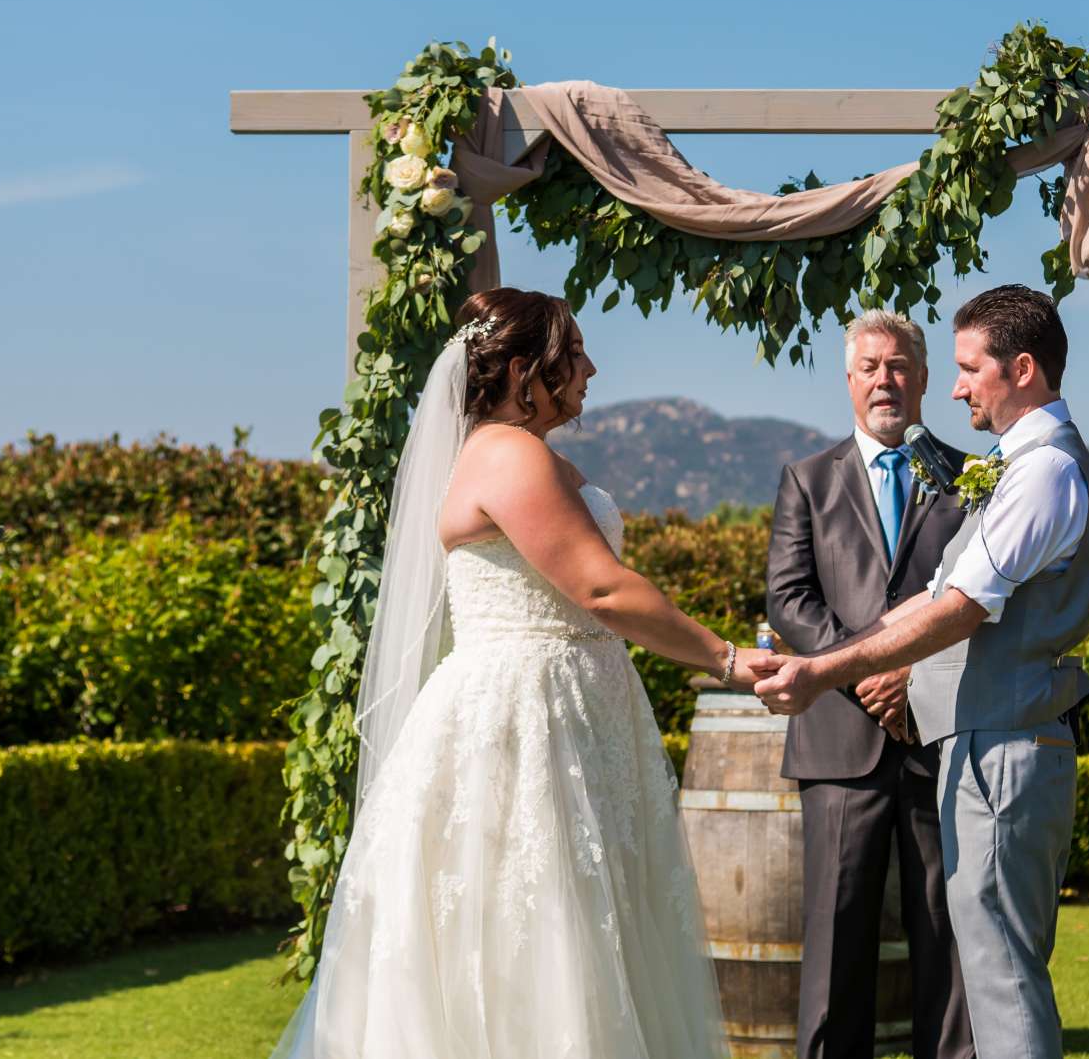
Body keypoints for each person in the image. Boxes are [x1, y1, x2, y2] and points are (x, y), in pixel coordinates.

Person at [275, 287, 779, 1059]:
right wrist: (729, 658)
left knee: (582, 926)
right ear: (522, 372)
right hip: (525, 720)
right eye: (572, 354)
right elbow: (601, 586)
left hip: (568, 709)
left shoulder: (517, 453)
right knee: (543, 931)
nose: (590, 368)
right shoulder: (510, 454)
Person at [758, 284, 1089, 1059]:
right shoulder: (1011, 467)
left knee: (992, 979)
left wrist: (825, 671)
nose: (951, 387)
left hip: (991, 746)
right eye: (871, 367)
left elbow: (955, 607)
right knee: (985, 969)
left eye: (964, 368)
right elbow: (823, 597)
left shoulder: (1037, 472)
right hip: (941, 744)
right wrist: (847, 674)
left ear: (1019, 370)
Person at [765, 309, 974, 1059]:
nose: (884, 380)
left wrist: (913, 673)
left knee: (947, 941)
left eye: (898, 366)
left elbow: (983, 602)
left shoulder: (967, 479)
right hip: (838, 747)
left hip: (938, 739)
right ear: (848, 379)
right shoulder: (807, 480)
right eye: (869, 367)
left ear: (920, 378)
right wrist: (869, 673)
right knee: (834, 944)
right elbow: (788, 600)